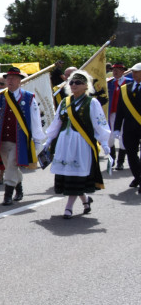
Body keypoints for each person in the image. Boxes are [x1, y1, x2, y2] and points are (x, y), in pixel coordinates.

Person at [44, 70, 111, 218]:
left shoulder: (92, 103)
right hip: (64, 143)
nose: (74, 85)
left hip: (81, 143)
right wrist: (48, 140)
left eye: (78, 82)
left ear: (86, 86)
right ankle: (85, 201)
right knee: (69, 175)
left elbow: (100, 124)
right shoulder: (64, 102)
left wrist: (105, 143)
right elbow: (57, 122)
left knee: (76, 175)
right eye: (72, 82)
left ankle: (68, 207)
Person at [0, 66, 46, 206]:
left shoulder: (28, 98)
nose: (10, 81)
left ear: (20, 81)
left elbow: (35, 119)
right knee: (10, 166)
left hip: (19, 140)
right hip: (2, 138)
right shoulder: (0, 95)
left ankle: (7, 195)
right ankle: (19, 188)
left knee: (11, 165)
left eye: (13, 78)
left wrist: (37, 139)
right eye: (8, 78)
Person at [113, 63, 141, 193]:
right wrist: (117, 128)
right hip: (129, 127)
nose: (134, 74)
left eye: (138, 72)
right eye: (134, 72)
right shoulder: (125, 88)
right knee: (131, 153)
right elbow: (120, 110)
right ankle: (138, 177)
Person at [107, 63, 128, 171]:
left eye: (118, 70)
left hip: (124, 114)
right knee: (109, 137)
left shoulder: (129, 82)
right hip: (111, 113)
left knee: (123, 137)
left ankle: (120, 161)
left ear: (123, 71)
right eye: (114, 70)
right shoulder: (109, 83)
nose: (115, 72)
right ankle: (112, 159)